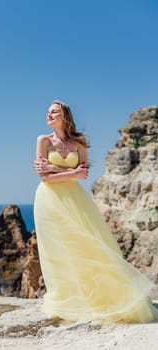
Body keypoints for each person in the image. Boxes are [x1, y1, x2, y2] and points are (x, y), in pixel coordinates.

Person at [33, 99, 158, 323]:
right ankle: (61, 300)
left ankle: (99, 297)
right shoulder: (43, 140)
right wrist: (65, 171)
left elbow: (83, 175)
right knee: (56, 249)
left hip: (75, 199)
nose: (49, 116)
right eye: (48, 113)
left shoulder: (79, 142)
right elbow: (45, 178)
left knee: (87, 244)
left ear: (65, 116)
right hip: (48, 199)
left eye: (54, 112)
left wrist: (54, 168)